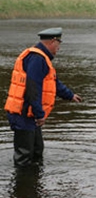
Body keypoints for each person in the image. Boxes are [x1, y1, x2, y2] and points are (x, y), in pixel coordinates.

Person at [4, 27, 83, 167]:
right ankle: (23, 187)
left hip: (30, 113)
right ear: (53, 41)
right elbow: (32, 88)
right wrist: (40, 114)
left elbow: (53, 82)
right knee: (24, 156)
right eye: (59, 43)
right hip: (24, 113)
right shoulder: (37, 58)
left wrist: (70, 95)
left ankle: (34, 185)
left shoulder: (41, 58)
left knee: (37, 152)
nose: (59, 48)